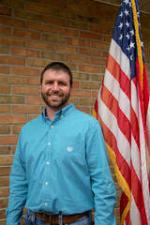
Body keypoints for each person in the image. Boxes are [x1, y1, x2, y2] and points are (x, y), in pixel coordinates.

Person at [6, 62, 116, 225]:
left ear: (71, 87)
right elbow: (18, 182)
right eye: (49, 82)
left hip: (75, 221)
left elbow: (103, 184)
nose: (55, 88)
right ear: (41, 87)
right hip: (33, 220)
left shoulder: (88, 126)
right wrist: (11, 221)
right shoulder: (27, 131)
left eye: (62, 83)